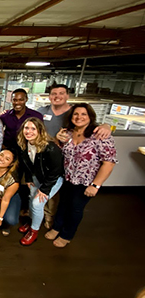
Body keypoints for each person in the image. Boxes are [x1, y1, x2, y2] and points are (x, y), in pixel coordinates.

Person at [37, 84, 112, 229]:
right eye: (54, 93)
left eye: (61, 93)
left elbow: (108, 162)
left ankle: (52, 221)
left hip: (77, 175)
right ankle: (46, 220)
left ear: (67, 96)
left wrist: (106, 125)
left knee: (63, 201)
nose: (57, 96)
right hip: (57, 167)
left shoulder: (76, 114)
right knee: (54, 197)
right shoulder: (43, 111)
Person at [46, 103, 117, 248]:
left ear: (90, 116)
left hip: (86, 181)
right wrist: (57, 139)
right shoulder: (68, 133)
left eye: (83, 114)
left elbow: (108, 163)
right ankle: (57, 227)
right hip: (67, 178)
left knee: (75, 208)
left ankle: (67, 235)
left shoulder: (100, 135)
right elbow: (58, 152)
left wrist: (95, 185)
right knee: (63, 204)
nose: (79, 117)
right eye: (76, 114)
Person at [17, 117, 64, 246]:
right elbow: (25, 164)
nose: (29, 131)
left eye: (33, 128)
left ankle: (34, 231)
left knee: (37, 203)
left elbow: (56, 171)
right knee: (32, 198)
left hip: (52, 179)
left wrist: (44, 189)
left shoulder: (50, 147)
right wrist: (28, 178)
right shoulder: (23, 144)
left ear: (40, 131)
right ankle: (32, 222)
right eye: (26, 128)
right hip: (37, 176)